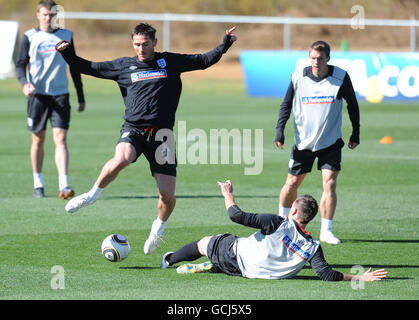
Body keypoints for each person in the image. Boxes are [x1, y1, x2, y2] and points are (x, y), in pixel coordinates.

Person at [55, 23, 237, 255]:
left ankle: (157, 229)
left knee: (167, 196)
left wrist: (224, 44)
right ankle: (91, 196)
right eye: (137, 44)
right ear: (133, 43)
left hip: (162, 135)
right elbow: (89, 67)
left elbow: (202, 60)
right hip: (134, 129)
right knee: (122, 158)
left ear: (155, 43)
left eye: (145, 44)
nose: (141, 48)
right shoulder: (123, 66)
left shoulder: (169, 62)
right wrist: (67, 53)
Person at [161, 180, 387, 283]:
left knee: (207, 242)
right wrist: (360, 277)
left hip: (236, 256)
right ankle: (216, 266)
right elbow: (326, 274)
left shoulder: (278, 222)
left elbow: (236, 216)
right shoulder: (313, 246)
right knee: (243, 243)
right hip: (252, 274)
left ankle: (169, 260)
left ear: (295, 210)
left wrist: (227, 193)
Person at [274, 40, 360, 244]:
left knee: (330, 184)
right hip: (303, 143)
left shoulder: (340, 77)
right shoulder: (298, 77)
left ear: (328, 58)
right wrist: (280, 131)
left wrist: (355, 132)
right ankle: (281, 223)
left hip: (330, 143)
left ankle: (326, 231)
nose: (316, 62)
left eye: (320, 58)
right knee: (292, 183)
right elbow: (286, 105)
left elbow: (352, 105)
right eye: (312, 58)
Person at [16, 0, 86, 199]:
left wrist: (80, 95)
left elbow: (74, 66)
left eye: (51, 15)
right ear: (38, 15)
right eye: (45, 15)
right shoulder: (30, 36)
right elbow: (20, 64)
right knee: (38, 140)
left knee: (61, 139)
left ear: (56, 16)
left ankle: (64, 185)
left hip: (60, 95)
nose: (48, 18)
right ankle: (38, 183)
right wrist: (24, 83)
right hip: (37, 95)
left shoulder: (66, 36)